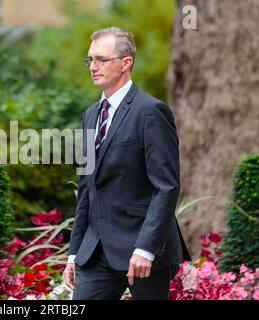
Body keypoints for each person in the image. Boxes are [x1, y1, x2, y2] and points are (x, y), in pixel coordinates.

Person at [63, 27, 191, 300]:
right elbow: (87, 189)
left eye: (101, 59)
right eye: (90, 60)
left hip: (142, 253)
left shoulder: (151, 112)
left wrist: (145, 248)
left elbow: (166, 187)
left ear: (126, 62)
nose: (93, 67)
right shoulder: (90, 115)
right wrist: (74, 252)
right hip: (96, 253)